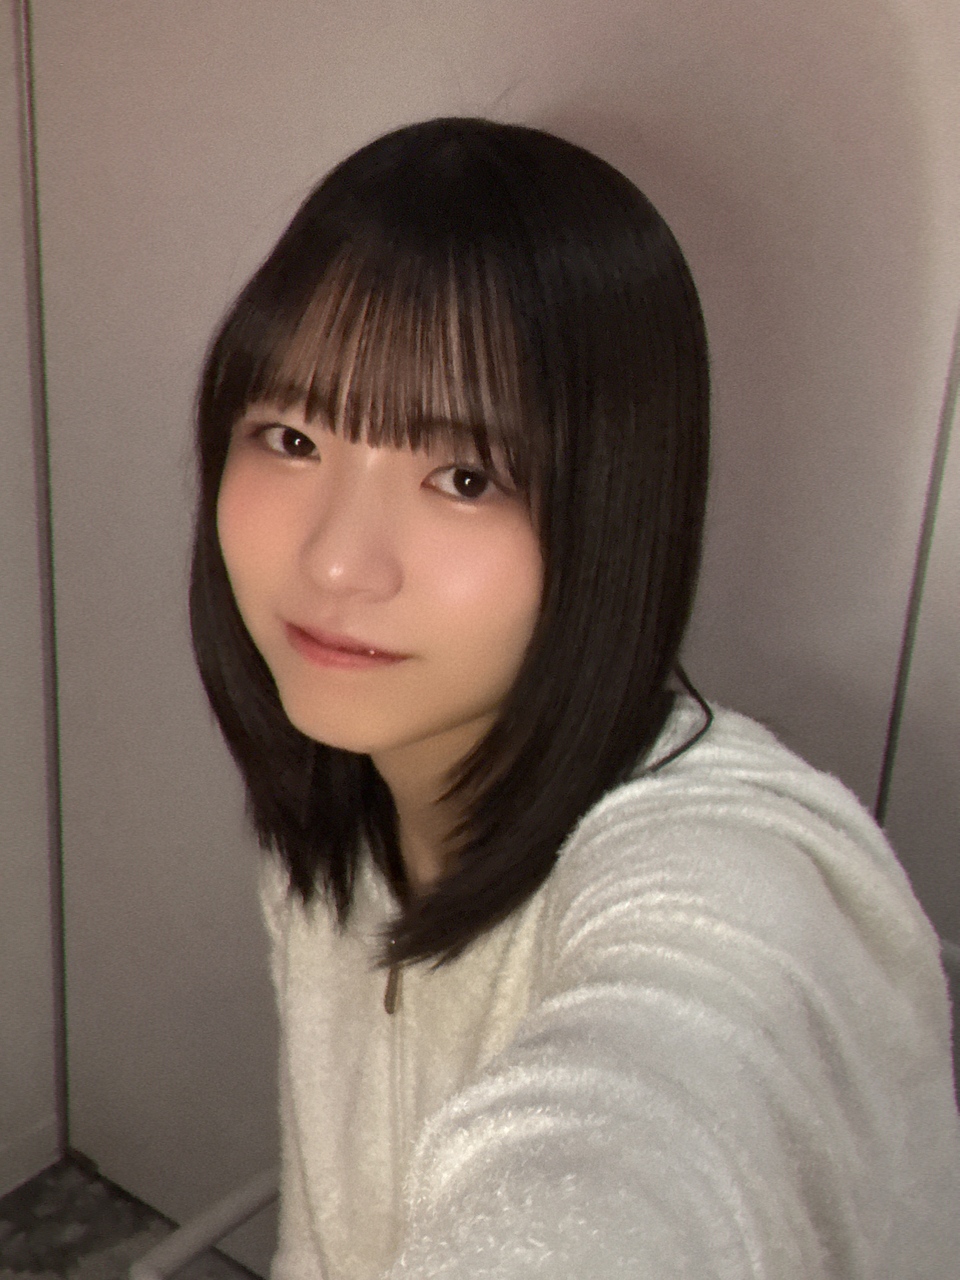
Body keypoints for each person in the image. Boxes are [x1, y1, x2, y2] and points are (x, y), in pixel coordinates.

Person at [189, 117, 959, 1279]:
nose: (336, 561)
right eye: (291, 437)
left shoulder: (730, 875)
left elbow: (636, 1143)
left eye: (463, 476)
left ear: (615, 509)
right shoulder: (346, 797)